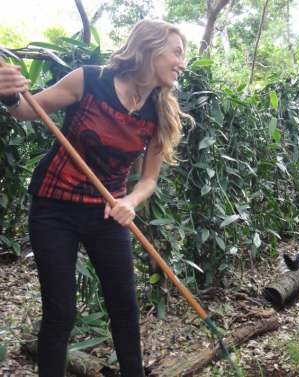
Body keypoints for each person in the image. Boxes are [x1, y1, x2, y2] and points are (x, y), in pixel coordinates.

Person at [0, 20, 191, 377]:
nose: (182, 62)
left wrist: (131, 202)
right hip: (54, 208)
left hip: (108, 212)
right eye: (177, 52)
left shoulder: (160, 111)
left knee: (125, 306)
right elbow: (26, 111)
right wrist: (9, 94)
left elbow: (148, 179)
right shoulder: (89, 80)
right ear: (149, 47)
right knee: (60, 312)